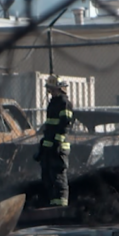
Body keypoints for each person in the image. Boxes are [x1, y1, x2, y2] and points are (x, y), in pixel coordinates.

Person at [34, 75, 75, 207]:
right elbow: (50, 127)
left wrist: (57, 143)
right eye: (49, 88)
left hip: (59, 147)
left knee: (58, 177)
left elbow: (65, 125)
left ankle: (61, 207)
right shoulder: (53, 103)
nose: (50, 91)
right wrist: (43, 148)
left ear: (59, 88)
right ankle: (51, 205)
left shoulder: (64, 103)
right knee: (47, 177)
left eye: (52, 88)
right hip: (49, 147)